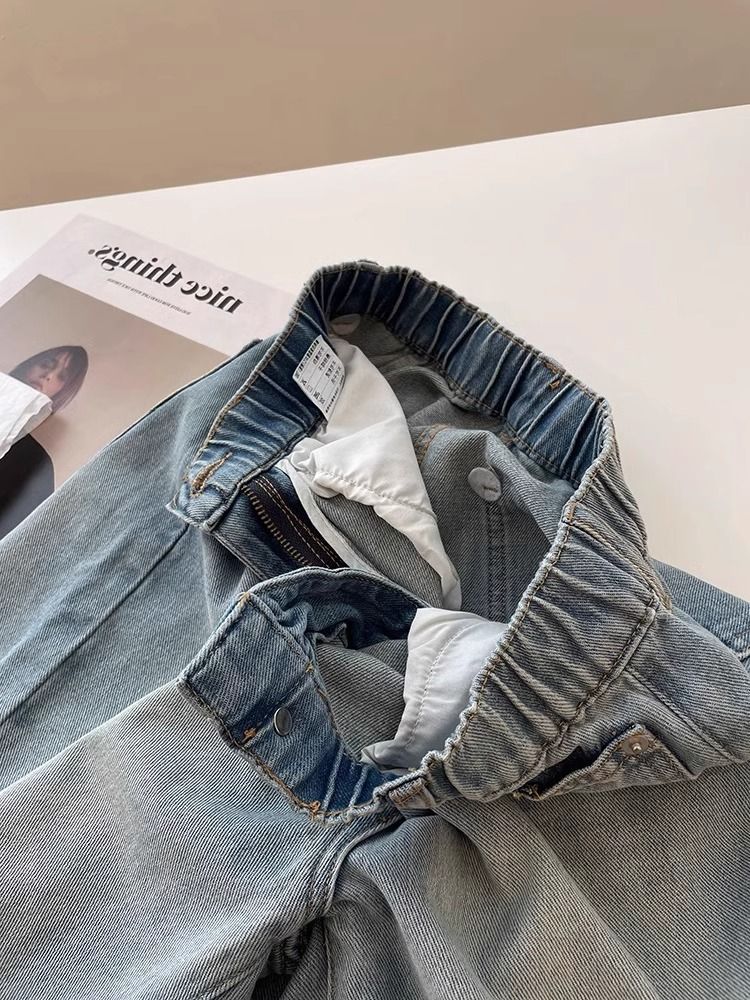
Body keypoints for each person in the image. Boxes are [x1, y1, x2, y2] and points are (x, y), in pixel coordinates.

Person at [0, 345, 88, 539]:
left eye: (61, 377)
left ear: (63, 391)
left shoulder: (38, 466)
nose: (48, 376)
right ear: (30, 364)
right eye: (47, 364)